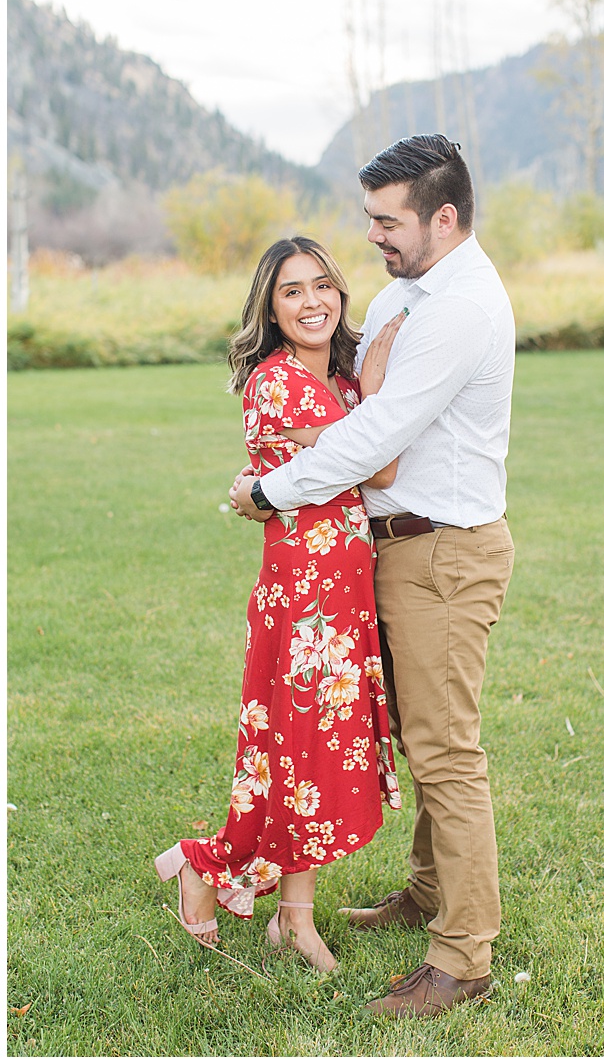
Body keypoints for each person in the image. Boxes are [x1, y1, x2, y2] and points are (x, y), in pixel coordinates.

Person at [231, 134, 516, 1018]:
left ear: (443, 216)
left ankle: (462, 956)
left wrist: (270, 490)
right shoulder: (409, 291)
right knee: (426, 743)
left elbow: (374, 434)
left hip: (441, 551)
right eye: (370, 220)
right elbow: (355, 406)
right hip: (392, 548)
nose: (373, 239)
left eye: (387, 222)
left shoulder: (460, 307)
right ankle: (428, 896)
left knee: (445, 754)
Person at [155, 236, 404, 971]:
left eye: (323, 285)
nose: (312, 302)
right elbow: (380, 459)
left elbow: (350, 452)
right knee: (296, 753)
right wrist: (385, 363)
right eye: (292, 291)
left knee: (313, 754)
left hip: (343, 593)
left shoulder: (342, 384)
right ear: (270, 306)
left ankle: (286, 912)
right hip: (304, 603)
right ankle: (215, 868)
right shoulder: (278, 383)